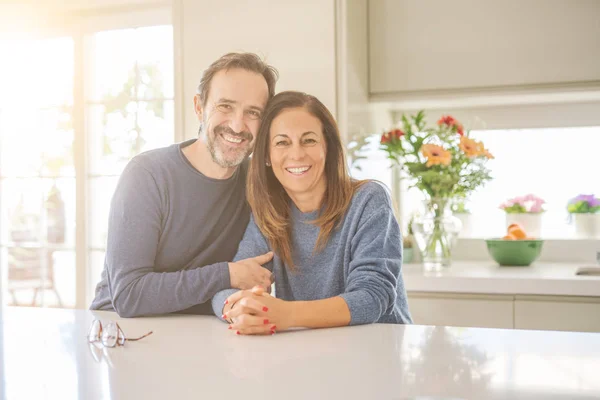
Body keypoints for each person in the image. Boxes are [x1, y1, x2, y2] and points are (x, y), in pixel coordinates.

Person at [90, 52, 279, 317]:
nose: (238, 125)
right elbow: (129, 295)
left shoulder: (257, 184)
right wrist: (228, 274)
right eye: (225, 106)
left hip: (201, 335)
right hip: (120, 334)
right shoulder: (148, 174)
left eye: (253, 112)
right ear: (200, 107)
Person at [212, 91, 412, 334]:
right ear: (266, 155)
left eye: (308, 140)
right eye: (282, 142)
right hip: (311, 354)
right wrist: (239, 307)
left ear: (327, 148)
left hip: (377, 349)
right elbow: (233, 284)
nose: (296, 154)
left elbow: (372, 298)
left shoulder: (368, 200)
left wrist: (285, 314)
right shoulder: (270, 214)